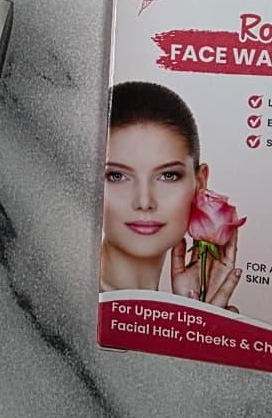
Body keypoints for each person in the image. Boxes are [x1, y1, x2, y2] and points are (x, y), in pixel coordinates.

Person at [100, 81, 241, 307]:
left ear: (200, 183)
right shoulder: (63, 297)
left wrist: (199, 316)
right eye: (116, 176)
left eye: (168, 176)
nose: (145, 202)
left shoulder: (178, 304)